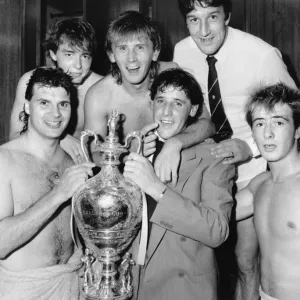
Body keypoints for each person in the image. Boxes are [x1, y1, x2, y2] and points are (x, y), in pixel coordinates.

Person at [173, 0, 297, 298]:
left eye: (212, 17)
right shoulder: (181, 51)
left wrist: (251, 146)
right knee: (200, 252)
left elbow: (293, 115)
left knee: (245, 259)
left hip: (253, 168)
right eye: (194, 19)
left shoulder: (261, 55)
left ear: (227, 15)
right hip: (208, 167)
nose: (203, 31)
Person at [123, 68, 235, 300]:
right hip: (132, 283)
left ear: (193, 109)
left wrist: (156, 188)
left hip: (182, 289)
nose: (166, 111)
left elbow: (217, 230)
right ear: (151, 103)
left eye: (178, 103)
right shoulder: (137, 149)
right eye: (161, 101)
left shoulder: (213, 157)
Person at [84, 10, 214, 185]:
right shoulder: (99, 96)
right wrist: (127, 154)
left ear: (155, 52)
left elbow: (207, 124)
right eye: (123, 48)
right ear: (111, 55)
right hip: (124, 184)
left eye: (139, 47)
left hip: (173, 177)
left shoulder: (170, 74)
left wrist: (174, 144)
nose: (132, 59)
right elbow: (92, 155)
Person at [0, 67, 95, 299]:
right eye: (44, 103)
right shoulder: (4, 160)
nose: (56, 114)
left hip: (72, 283)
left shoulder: (74, 161)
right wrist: (58, 194)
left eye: (63, 104)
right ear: (27, 107)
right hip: (24, 289)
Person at [235, 83, 300, 300]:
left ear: (298, 130)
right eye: (260, 123)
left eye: (279, 123)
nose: (268, 133)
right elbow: (212, 218)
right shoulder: (259, 185)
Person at [9, 18, 103, 164]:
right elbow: (15, 137)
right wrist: (61, 138)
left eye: (84, 56)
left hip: (84, 168)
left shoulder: (100, 87)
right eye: (69, 54)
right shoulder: (32, 81)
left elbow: (101, 149)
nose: (78, 66)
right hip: (39, 163)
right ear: (53, 54)